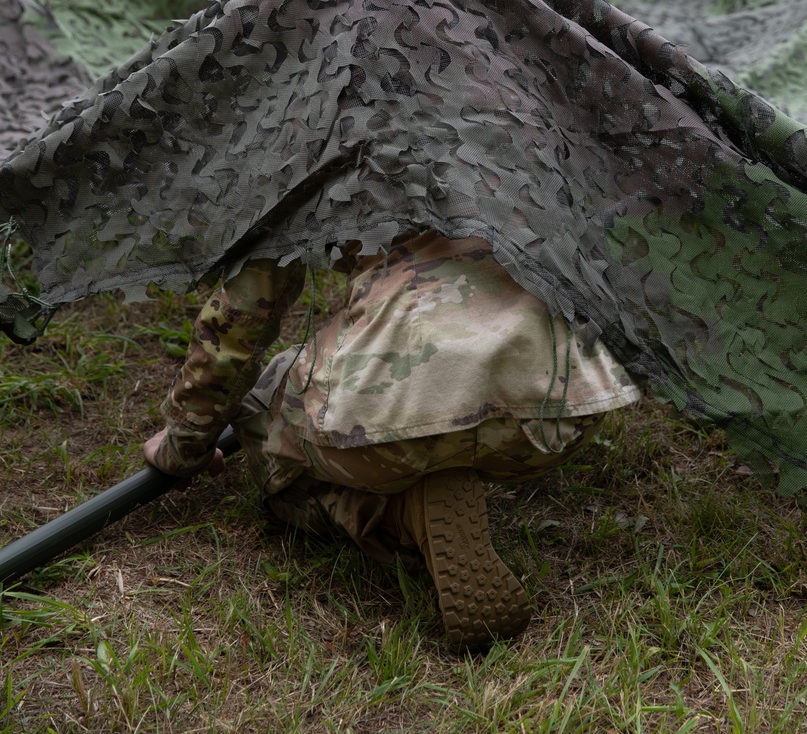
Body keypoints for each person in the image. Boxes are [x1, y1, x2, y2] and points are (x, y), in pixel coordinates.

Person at [142, 230, 639, 650]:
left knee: (265, 404)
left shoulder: (326, 137)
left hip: (390, 425)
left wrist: (185, 442)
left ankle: (401, 514)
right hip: (560, 409)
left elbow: (240, 316)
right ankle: (454, 460)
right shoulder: (531, 130)